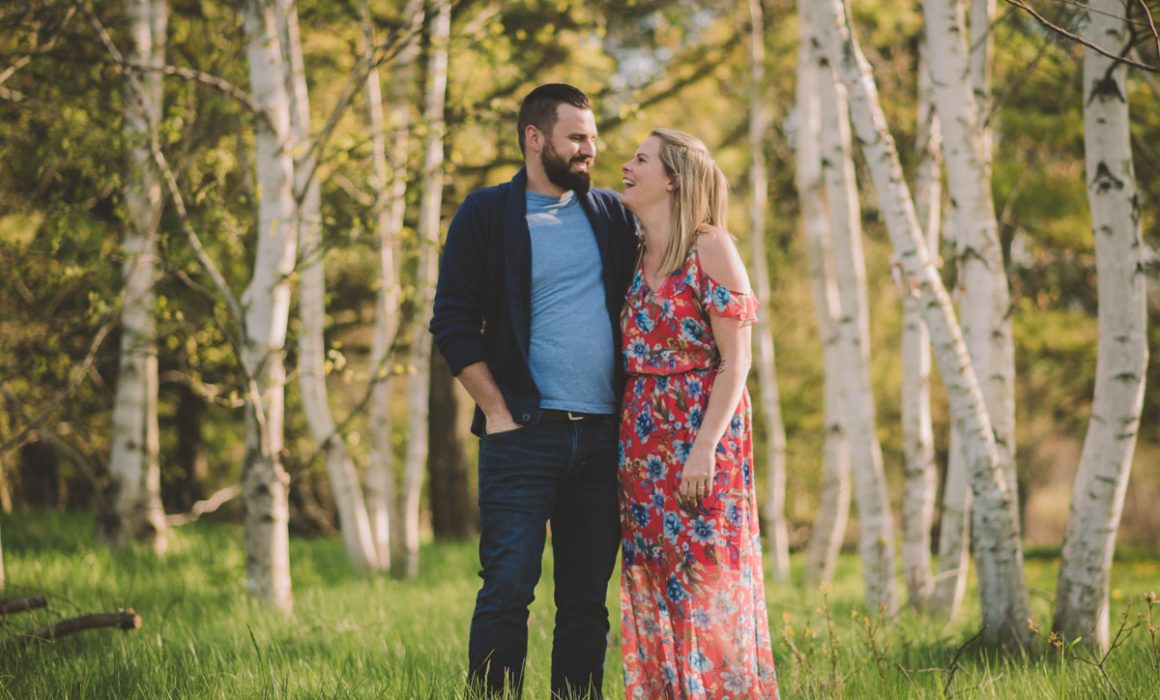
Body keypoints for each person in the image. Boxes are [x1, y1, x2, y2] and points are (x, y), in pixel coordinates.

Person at [429, 83, 637, 698]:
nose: (589, 150)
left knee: (585, 603)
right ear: (534, 137)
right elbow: (452, 322)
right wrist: (496, 409)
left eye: (592, 138)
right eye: (576, 138)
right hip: (522, 435)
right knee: (506, 591)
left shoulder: (612, 215)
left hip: (603, 438)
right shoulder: (486, 213)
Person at [616, 129, 779, 699]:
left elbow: (737, 361)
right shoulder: (633, 251)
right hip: (641, 448)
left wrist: (704, 447)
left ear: (673, 179)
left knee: (707, 584)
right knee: (655, 585)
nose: (626, 165)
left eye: (641, 159)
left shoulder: (710, 246)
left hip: (702, 439)